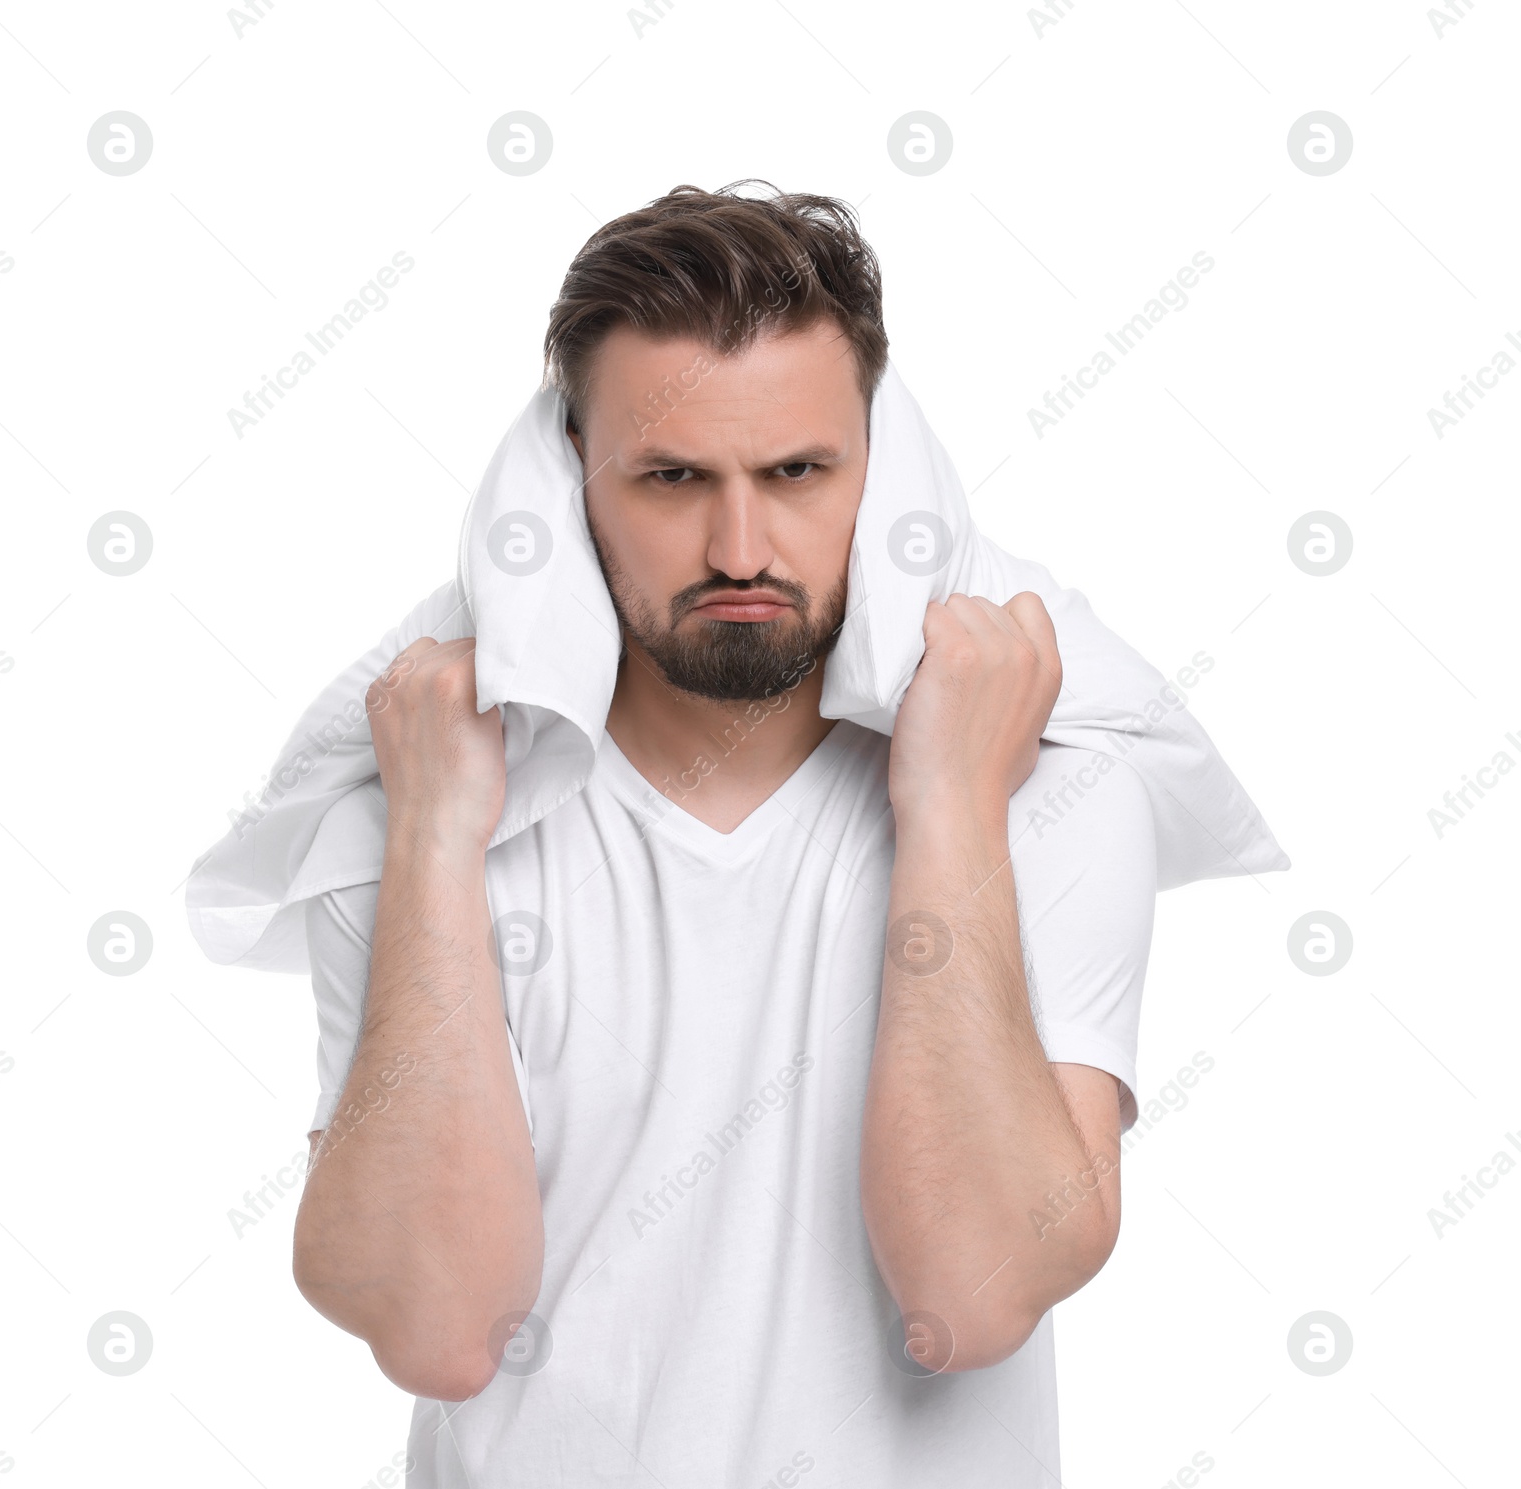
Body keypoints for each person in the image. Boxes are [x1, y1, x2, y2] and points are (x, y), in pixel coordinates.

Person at [285, 183, 1187, 1485]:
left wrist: (943, 806)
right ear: (569, 485)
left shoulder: (1052, 799)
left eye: (796, 472)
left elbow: (975, 1291)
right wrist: (434, 842)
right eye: (671, 478)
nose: (741, 544)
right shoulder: (410, 808)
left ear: (881, 481)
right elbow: (437, 1328)